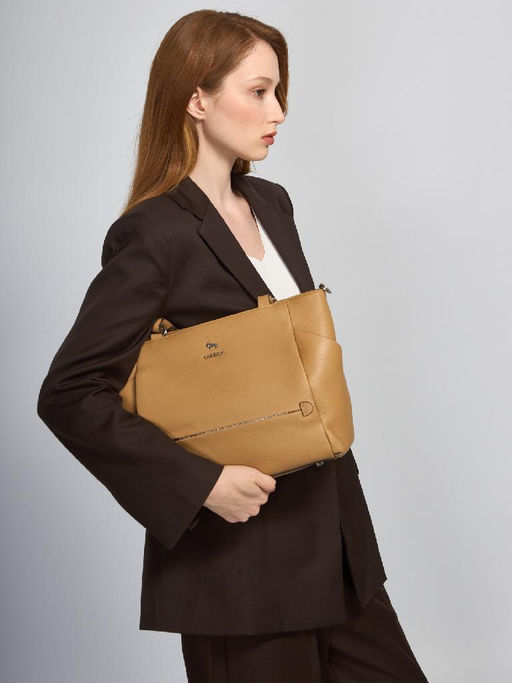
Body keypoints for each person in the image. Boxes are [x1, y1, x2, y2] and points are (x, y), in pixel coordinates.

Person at [37, 9, 429, 682]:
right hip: (240, 571)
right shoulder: (153, 234)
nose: (278, 111)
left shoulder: (273, 204)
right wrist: (202, 485)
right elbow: (70, 394)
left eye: (279, 92)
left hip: (337, 553)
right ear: (197, 99)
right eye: (258, 91)